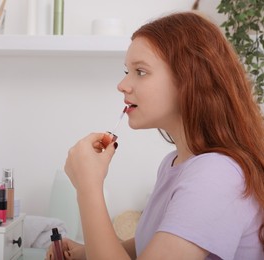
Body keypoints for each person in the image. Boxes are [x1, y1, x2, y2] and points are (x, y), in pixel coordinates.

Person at [45, 11, 264, 260]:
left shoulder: (216, 175)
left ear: (189, 80)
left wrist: (88, 187)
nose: (122, 85)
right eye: (127, 70)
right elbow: (154, 244)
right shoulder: (175, 163)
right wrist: (86, 253)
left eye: (140, 71)